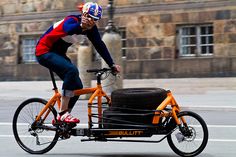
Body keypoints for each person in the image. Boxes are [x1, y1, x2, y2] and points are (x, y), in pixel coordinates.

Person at [35, 2, 120, 124]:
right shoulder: (71, 20)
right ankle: (63, 114)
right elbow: (69, 29)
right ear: (84, 14)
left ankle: (64, 119)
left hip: (58, 54)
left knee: (78, 86)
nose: (92, 21)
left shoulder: (91, 29)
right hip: (44, 51)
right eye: (90, 17)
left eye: (95, 19)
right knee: (71, 70)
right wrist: (81, 25)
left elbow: (99, 45)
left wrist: (111, 64)